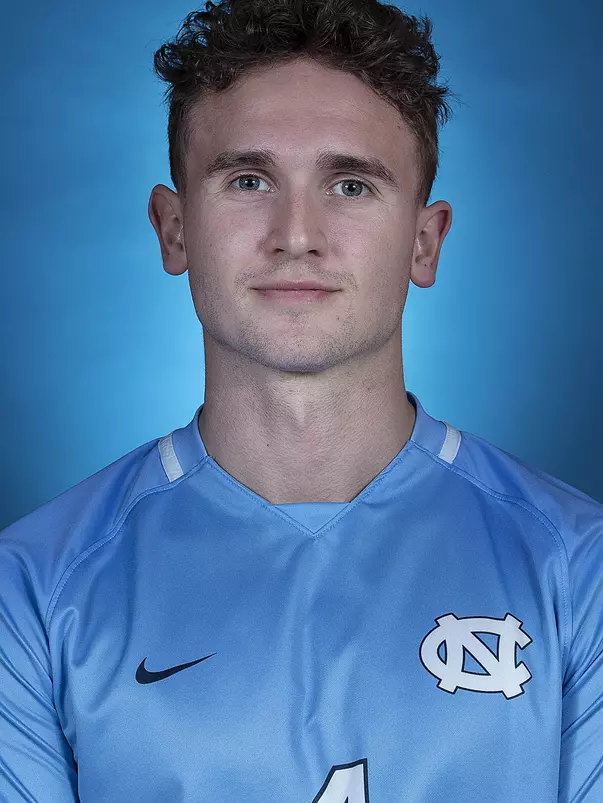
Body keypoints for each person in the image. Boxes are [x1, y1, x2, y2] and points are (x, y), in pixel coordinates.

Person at [1, 0, 602, 800]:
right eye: (248, 180)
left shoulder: (579, 570)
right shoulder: (33, 590)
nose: (296, 233)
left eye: (349, 184)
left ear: (424, 241)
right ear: (173, 229)